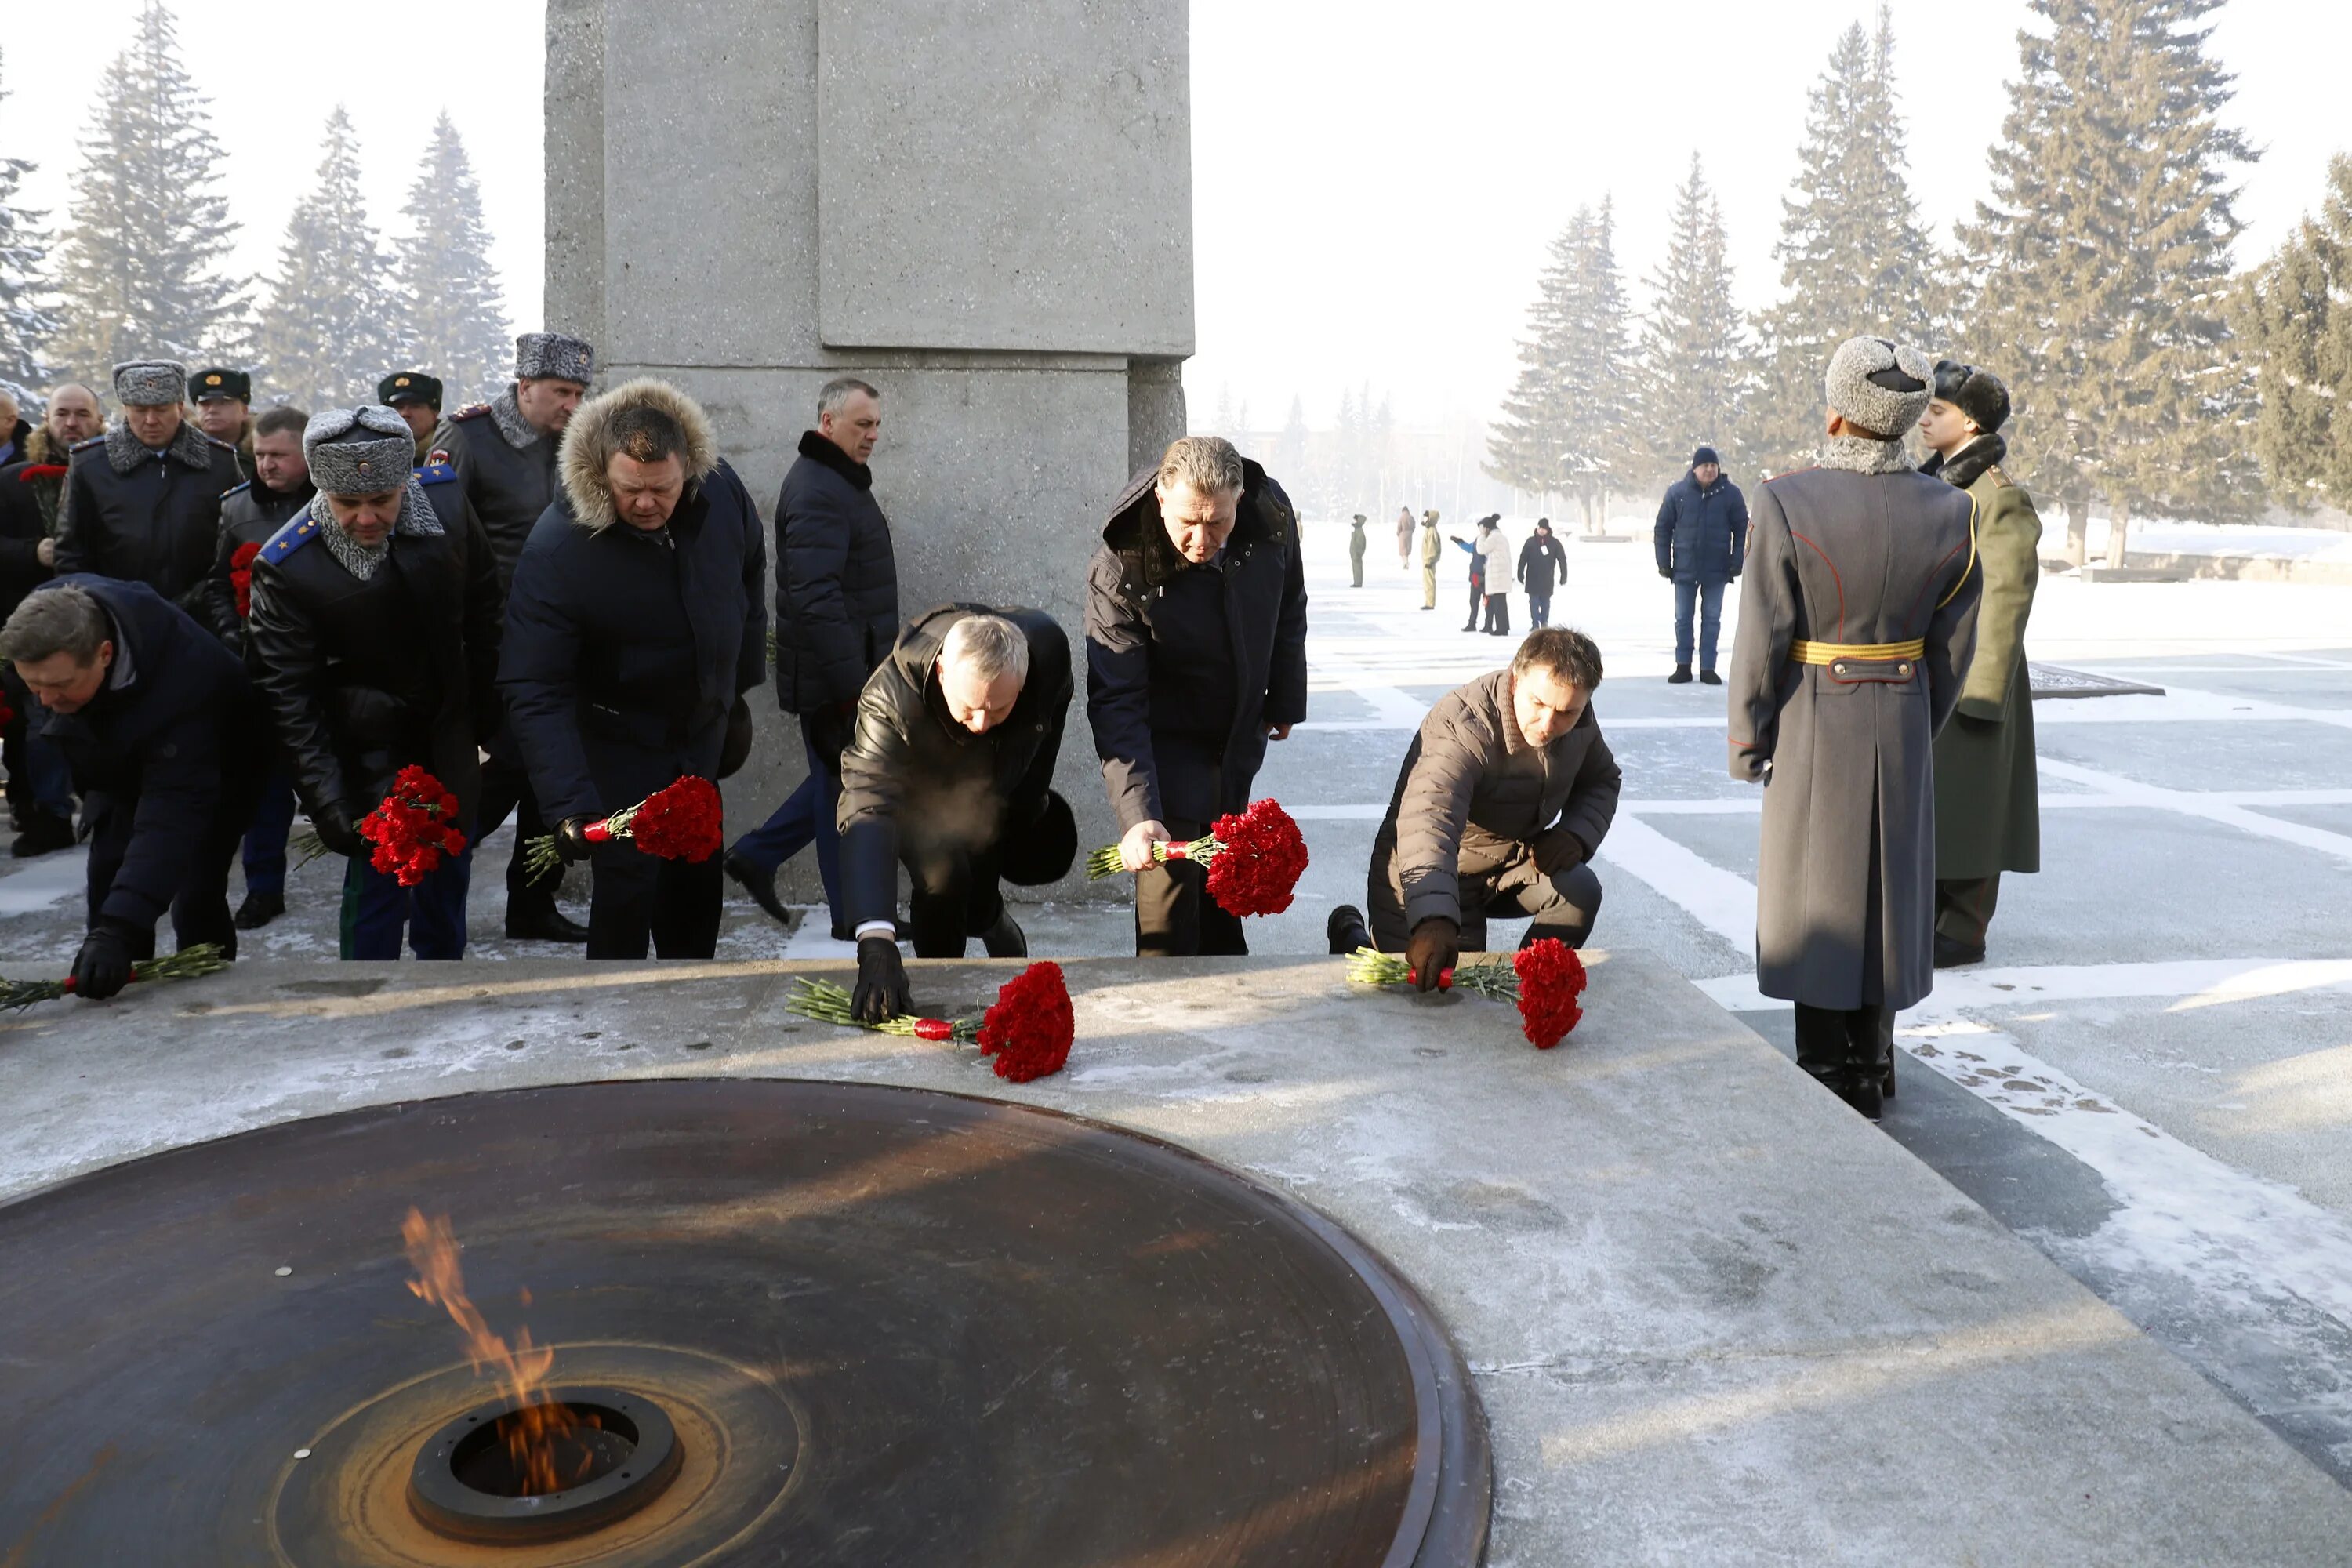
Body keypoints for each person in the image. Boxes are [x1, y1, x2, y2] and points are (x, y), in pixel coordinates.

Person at [1726, 336, 1982, 1121]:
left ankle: (1822, 1067)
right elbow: (1954, 649)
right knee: (1887, 893)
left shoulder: (1786, 500)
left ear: (1838, 411)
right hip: (1901, 715)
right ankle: (1873, 1064)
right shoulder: (1951, 509)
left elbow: (1762, 637)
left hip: (1812, 716)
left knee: (1818, 895)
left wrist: (1749, 737)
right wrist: (1913, 719)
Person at [499, 378, 766, 960]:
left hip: (697, 735)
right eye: (630, 490)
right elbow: (534, 684)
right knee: (626, 892)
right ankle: (611, 1013)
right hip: (617, 742)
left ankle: (692, 1002)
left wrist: (732, 690)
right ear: (601, 473)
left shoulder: (722, 492)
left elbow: (748, 574)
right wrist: (569, 802)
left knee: (696, 889)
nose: (646, 504)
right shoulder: (559, 545)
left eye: (662, 489)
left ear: (688, 470)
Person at [245, 407, 503, 960]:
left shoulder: (447, 504)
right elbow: (289, 700)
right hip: (365, 757)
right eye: (347, 504)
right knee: (376, 899)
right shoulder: (287, 566)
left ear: (406, 483)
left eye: (382, 501)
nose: (366, 518)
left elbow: (486, 614)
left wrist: (494, 727)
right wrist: (332, 806)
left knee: (447, 885)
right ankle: (362, 1004)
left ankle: (443, 990)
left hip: (449, 737)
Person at [1087, 435, 1306, 957]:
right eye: (1188, 521)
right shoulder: (1123, 564)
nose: (1201, 538)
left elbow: (1289, 605)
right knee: (1170, 899)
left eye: (1217, 523)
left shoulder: (1270, 517)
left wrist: (1285, 696)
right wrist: (1139, 813)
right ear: (1161, 499)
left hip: (1236, 733)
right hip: (1167, 740)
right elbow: (1117, 696)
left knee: (1226, 882)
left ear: (1239, 499)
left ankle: (1229, 1008)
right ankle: (1166, 1015)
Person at [0, 577, 264, 995]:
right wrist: (109, 938)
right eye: (34, 686)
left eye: (60, 686)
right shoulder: (43, 622)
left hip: (217, 767)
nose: (46, 701)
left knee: (194, 891)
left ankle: (208, 996)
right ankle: (116, 982)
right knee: (107, 875)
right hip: (115, 761)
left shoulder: (186, 679)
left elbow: (170, 818)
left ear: (104, 654)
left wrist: (118, 931)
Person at [1327, 626, 1618, 974]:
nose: (1548, 723)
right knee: (1428, 987)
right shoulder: (1464, 724)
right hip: (1428, 869)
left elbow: (1602, 780)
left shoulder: (1580, 722)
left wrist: (1575, 834)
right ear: (1515, 680)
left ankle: (1529, 981)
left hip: (1510, 863)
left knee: (1579, 890)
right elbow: (1430, 818)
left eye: (1566, 712)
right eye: (1538, 703)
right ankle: (1351, 936)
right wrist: (1433, 916)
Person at [839, 606, 1076, 1020]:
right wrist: (875, 940)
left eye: (999, 708)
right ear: (945, 674)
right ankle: (942, 982)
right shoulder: (889, 701)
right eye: (969, 708)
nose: (983, 723)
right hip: (917, 796)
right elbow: (867, 805)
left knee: (983, 864)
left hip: (991, 783)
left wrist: (1029, 799)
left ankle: (989, 919)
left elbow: (1047, 722)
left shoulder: (1047, 655)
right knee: (943, 881)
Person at [725, 376, 896, 938]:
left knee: (834, 781)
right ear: (828, 423)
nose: (872, 434)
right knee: (843, 792)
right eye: (861, 424)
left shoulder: (835, 479)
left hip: (844, 671)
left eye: (875, 424)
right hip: (834, 680)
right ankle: (853, 917)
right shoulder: (820, 488)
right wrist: (854, 687)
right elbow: (816, 597)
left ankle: (756, 855)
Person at [441, 330, 596, 944]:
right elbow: (439, 538)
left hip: (564, 644)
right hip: (494, 645)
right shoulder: (470, 438)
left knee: (550, 778)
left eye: (580, 392)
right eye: (561, 392)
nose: (572, 405)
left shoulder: (579, 444)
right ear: (524, 386)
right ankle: (426, 866)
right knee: (505, 768)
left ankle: (533, 904)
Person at [1921, 359, 2039, 968]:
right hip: (1940, 668)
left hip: (1974, 676)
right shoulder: (1942, 484)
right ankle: (1938, 918)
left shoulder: (1995, 495)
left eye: (1937, 411)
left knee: (1975, 806)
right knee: (1943, 804)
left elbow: (2007, 595)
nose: (1925, 420)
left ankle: (1964, 931)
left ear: (1968, 422)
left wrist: (1982, 689)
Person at [201, 404, 314, 930]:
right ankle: (263, 887)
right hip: (258, 669)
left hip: (324, 667)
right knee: (264, 784)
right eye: (261, 454)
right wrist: (229, 632)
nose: (267, 465)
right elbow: (218, 582)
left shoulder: (332, 502)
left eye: (279, 455)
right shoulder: (236, 507)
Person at [0, 384, 103, 855]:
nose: (72, 423)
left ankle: (106, 804)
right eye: (62, 413)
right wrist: (32, 552)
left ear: (99, 421)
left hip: (98, 616)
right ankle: (51, 814)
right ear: (46, 419)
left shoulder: (110, 473)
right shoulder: (14, 480)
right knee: (41, 719)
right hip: (30, 617)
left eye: (83, 414)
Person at [53, 360, 244, 608]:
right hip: (118, 610)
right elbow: (71, 554)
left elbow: (239, 538)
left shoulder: (219, 462)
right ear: (126, 409)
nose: (151, 420)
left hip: (204, 612)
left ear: (179, 407)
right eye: (140, 410)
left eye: (161, 409)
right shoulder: (90, 465)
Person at [1653, 444, 1748, 685]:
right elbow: (1663, 528)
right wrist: (1664, 562)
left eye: (1713, 466)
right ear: (1695, 468)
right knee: (1683, 618)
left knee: (1712, 619)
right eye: (1705, 466)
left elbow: (1743, 531)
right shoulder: (1678, 493)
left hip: (1717, 570)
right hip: (1684, 568)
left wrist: (1737, 562)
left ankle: (1708, 668)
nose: (1709, 470)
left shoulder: (1731, 494)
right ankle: (1683, 666)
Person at [188, 367, 256, 483]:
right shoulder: (183, 454)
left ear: (244, 411)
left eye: (223, 403)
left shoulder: (261, 455)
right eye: (205, 404)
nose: (212, 410)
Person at [378, 372, 445, 466]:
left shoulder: (451, 452)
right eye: (398, 407)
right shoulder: (375, 457)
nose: (405, 413)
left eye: (415, 406)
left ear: (434, 414)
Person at [1518, 517, 1567, 628]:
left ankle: (1544, 622)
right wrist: (1520, 573)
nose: (1541, 530)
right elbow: (1523, 558)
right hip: (1532, 578)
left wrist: (1564, 576)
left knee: (1545, 603)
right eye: (1540, 527)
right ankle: (1535, 624)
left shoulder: (1555, 543)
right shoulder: (1530, 542)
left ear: (1548, 529)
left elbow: (1562, 560)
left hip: (1547, 578)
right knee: (1533, 603)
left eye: (1544, 528)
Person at [1450, 515, 1495, 631]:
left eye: (1481, 527)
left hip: (1485, 576)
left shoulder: (1491, 540)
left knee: (1487, 601)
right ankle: (1472, 623)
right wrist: (1460, 542)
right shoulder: (1478, 539)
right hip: (1475, 575)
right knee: (1473, 601)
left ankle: (1488, 624)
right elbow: (1471, 549)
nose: (1480, 529)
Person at [1478, 514, 1513, 635]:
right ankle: (1503, 628)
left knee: (1499, 605)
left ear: (1487, 528)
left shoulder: (1494, 538)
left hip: (1498, 577)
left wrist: (1481, 536)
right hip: (1501, 576)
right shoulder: (1501, 537)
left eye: (1482, 529)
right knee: (1501, 604)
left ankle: (1501, 629)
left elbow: (1481, 549)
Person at [1417, 509, 1441, 609]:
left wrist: (1430, 560)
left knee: (1430, 582)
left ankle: (1430, 603)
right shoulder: (1429, 530)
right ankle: (1428, 601)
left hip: (1429, 561)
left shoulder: (1432, 531)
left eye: (1427, 517)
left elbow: (1432, 548)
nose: (1425, 519)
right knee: (1427, 582)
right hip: (1427, 561)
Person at [1348, 512, 1367, 586]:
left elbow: (1361, 544)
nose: (1354, 522)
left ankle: (1358, 583)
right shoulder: (1356, 530)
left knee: (1358, 569)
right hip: (1354, 553)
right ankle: (1356, 582)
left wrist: (1358, 553)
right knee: (1355, 569)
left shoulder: (1359, 531)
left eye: (1356, 520)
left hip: (1357, 554)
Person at [1395, 505, 1414, 571]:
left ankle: (1405, 563)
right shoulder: (1411, 517)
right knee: (1407, 550)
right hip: (1409, 535)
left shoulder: (1401, 518)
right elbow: (1414, 526)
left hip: (1402, 535)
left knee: (1403, 551)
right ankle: (1406, 562)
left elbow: (1399, 526)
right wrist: (1411, 532)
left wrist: (1398, 533)